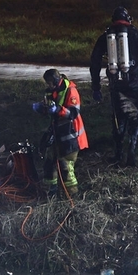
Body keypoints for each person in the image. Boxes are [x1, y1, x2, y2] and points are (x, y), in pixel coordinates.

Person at [89, 7, 138, 167]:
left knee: (118, 117)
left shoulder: (106, 36)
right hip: (135, 82)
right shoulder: (135, 34)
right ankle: (132, 153)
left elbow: (94, 62)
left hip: (116, 84)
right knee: (135, 117)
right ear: (129, 19)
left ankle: (117, 154)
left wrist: (96, 87)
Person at [32, 69, 87, 197]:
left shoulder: (71, 91)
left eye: (50, 83)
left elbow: (73, 113)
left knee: (65, 166)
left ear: (56, 81)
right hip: (57, 133)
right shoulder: (53, 91)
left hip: (70, 135)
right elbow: (49, 108)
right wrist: (42, 108)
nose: (48, 86)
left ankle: (71, 195)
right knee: (50, 162)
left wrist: (57, 109)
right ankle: (51, 191)